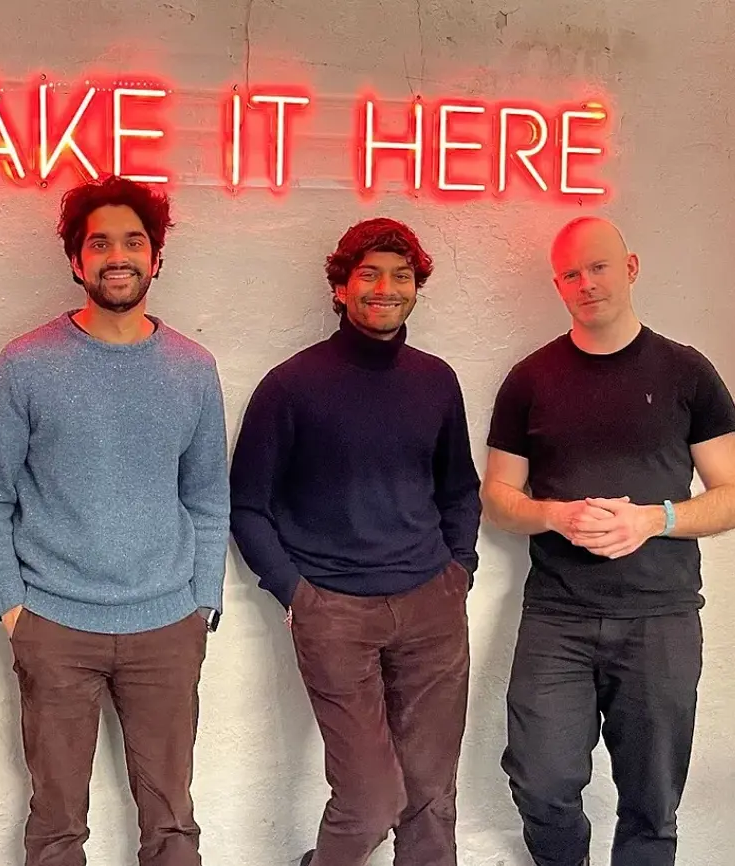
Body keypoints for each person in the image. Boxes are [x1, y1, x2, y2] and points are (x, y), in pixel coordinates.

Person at [0, 174, 230, 866]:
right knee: (56, 826)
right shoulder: (25, 365)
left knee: (172, 824)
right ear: (77, 261)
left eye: (134, 241)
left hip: (167, 627)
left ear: (157, 256)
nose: (118, 256)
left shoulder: (194, 370)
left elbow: (207, 495)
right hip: (56, 628)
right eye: (100, 243)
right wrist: (13, 609)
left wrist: (202, 601)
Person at [481, 216, 735, 866]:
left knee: (652, 802)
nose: (586, 283)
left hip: (661, 615)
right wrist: (555, 516)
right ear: (557, 286)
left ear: (630, 269)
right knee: (540, 780)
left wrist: (651, 520)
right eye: (571, 274)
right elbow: (497, 496)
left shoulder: (689, 374)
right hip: (558, 618)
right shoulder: (530, 380)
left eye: (598, 267)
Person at [229, 217, 481, 866]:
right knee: (370, 800)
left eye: (402, 276)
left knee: (432, 800)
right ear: (341, 287)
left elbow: (459, 488)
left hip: (432, 606)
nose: (386, 288)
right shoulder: (291, 386)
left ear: (417, 288)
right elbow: (248, 506)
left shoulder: (436, 381)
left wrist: (460, 569)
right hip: (334, 613)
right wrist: (296, 594)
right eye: (369, 273)